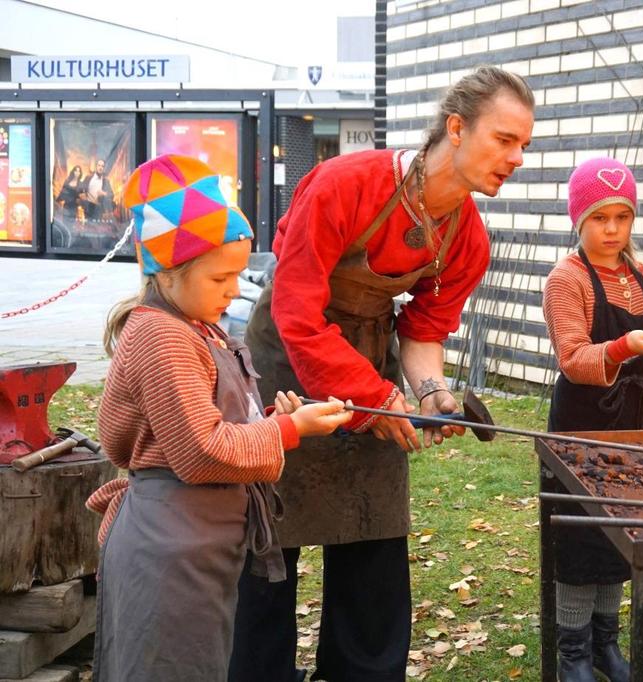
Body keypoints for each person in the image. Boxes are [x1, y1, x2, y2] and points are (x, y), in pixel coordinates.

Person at [232, 65, 535, 682]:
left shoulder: (468, 239)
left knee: (374, 538)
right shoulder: (347, 184)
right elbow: (296, 311)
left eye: (524, 144)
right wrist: (377, 398)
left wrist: (432, 394)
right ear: (457, 127)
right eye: (505, 139)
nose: (517, 157)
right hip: (283, 363)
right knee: (268, 547)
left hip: (372, 363)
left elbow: (423, 333)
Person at [85, 154, 352, 682]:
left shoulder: (199, 326)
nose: (234, 290)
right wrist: (286, 431)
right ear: (170, 271)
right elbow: (200, 449)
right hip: (170, 549)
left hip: (200, 540)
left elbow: (170, 424)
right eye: (220, 277)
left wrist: (271, 419)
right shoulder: (162, 336)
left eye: (238, 274)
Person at [543, 157, 643, 682]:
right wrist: (624, 345)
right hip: (584, 420)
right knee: (583, 538)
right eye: (599, 218)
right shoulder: (568, 278)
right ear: (579, 221)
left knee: (618, 533)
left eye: (621, 217)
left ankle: (605, 644)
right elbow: (574, 358)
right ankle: (574, 653)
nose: (611, 230)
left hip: (635, 420)